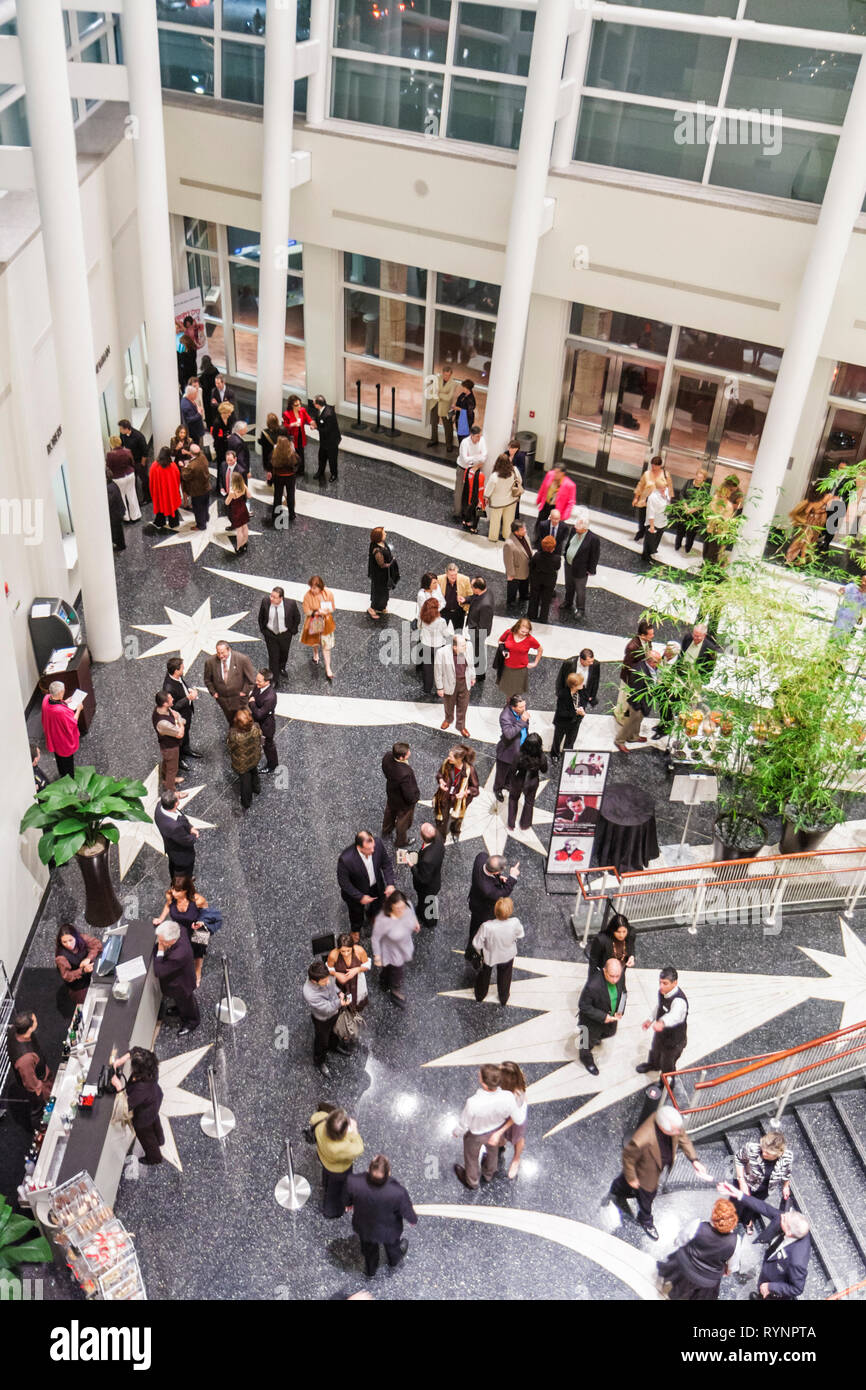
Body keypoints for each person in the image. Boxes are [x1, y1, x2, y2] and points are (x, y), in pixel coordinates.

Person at [606, 1106, 709, 1240]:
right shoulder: (643, 1138)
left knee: (623, 1183)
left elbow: (683, 1138)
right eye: (675, 1130)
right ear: (663, 1128)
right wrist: (632, 1177)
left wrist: (694, 1160)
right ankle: (646, 1220)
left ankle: (615, 1190)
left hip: (657, 1164)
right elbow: (628, 1157)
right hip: (645, 1171)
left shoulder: (672, 1124)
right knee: (647, 1195)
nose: (679, 1131)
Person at [722, 1190, 812, 1300]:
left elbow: (797, 1288)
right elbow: (765, 1208)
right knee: (762, 1289)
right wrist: (741, 1195)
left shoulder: (797, 1261)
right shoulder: (793, 1223)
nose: (781, 1216)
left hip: (777, 1286)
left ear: (789, 1233)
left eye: (783, 1219)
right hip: (770, 1269)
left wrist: (771, 1287)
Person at [345, 1155, 418, 1278]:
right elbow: (406, 1209)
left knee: (369, 1251)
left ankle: (371, 1270)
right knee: (393, 1246)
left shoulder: (354, 1182)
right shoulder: (397, 1192)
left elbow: (347, 1198)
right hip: (389, 1229)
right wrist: (412, 1219)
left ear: (368, 1170)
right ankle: (394, 1261)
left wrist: (349, 1204)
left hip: (365, 1228)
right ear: (388, 1173)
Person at [452, 1064, 522, 1190]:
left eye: (479, 1076)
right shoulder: (508, 1097)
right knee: (493, 1153)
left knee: (471, 1157)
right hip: (496, 1132)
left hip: (476, 1135)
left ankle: (472, 1181)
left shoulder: (473, 1102)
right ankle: (489, 1174)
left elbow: (464, 1124)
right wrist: (499, 1132)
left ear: (484, 1084)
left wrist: (457, 1132)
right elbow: (517, 1118)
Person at [656, 1199, 740, 1301]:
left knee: (672, 1288)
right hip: (707, 1282)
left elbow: (679, 1241)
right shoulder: (735, 1241)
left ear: (714, 1215)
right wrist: (726, 1271)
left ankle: (668, 1291)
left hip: (684, 1269)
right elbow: (732, 1267)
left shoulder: (697, 1225)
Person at [153, 874, 210, 987]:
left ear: (185, 890)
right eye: (173, 888)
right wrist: (161, 918)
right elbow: (168, 906)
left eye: (178, 891)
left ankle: (197, 972)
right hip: (180, 931)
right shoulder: (171, 896)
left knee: (198, 953)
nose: (174, 892)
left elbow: (207, 913)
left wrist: (202, 924)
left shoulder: (198, 900)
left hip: (197, 931)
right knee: (181, 951)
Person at [337, 830, 396, 939]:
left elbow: (386, 863)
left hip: (376, 886)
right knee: (356, 913)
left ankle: (373, 917)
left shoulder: (377, 843)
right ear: (359, 848)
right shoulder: (346, 859)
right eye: (369, 849)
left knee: (378, 905)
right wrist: (360, 897)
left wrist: (390, 883)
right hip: (357, 891)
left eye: (373, 846)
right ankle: (356, 930)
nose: (373, 850)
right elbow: (344, 883)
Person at [111, 1048, 165, 1166]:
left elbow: (126, 1107)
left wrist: (118, 1086)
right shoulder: (151, 1066)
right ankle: (160, 1139)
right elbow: (136, 1050)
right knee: (155, 1119)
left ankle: (154, 1158)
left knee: (146, 1137)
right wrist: (121, 1059)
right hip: (155, 1098)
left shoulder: (141, 1089)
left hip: (144, 1116)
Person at [309, 1105, 364, 1219]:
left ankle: (325, 1183)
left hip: (324, 1159)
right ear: (343, 1133)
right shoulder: (342, 1147)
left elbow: (314, 1118)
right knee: (336, 1191)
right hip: (339, 1171)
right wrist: (354, 1131)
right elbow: (359, 1148)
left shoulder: (320, 1122)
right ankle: (331, 1211)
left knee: (327, 1177)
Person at [636, 966, 689, 1078]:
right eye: (660, 982)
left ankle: (667, 1083)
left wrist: (662, 1022)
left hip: (674, 1042)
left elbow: (674, 1016)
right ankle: (653, 1065)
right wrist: (650, 1020)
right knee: (655, 1050)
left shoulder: (679, 1001)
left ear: (674, 983)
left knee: (667, 1064)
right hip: (662, 1035)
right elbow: (660, 1007)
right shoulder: (663, 992)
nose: (661, 986)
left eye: (665, 983)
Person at [371, 890, 419, 1008]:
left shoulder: (406, 906)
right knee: (397, 971)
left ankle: (384, 981)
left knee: (388, 968)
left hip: (403, 945)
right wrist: (377, 956)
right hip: (390, 950)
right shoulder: (383, 920)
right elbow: (375, 938)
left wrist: (415, 923)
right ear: (390, 906)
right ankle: (395, 990)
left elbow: (411, 914)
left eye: (402, 907)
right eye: (397, 908)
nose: (401, 910)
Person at [467, 852, 518, 962]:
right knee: (478, 929)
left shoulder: (481, 857)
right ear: (496, 871)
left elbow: (490, 876)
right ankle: (472, 952)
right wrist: (512, 877)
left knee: (474, 926)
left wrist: (498, 878)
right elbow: (504, 892)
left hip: (475, 899)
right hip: (482, 910)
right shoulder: (488, 890)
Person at [577, 957, 625, 1076]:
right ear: (604, 971)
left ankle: (596, 1039)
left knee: (610, 1033)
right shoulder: (593, 986)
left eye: (617, 976)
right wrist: (603, 1017)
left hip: (611, 1017)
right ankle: (586, 1059)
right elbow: (583, 1005)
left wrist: (620, 1010)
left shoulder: (620, 975)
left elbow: (624, 992)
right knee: (586, 1043)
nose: (615, 980)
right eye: (612, 976)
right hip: (591, 1022)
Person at [472, 897, 524, 1005]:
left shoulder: (487, 926)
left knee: (484, 975)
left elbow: (477, 943)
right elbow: (520, 934)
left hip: (490, 956)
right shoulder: (515, 922)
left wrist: (479, 952)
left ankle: (480, 995)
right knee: (505, 976)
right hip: (507, 955)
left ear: (495, 911)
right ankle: (503, 997)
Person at [152, 921, 200, 1036]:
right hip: (181, 977)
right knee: (182, 1002)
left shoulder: (178, 955)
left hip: (182, 984)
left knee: (187, 1002)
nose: (160, 943)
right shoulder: (180, 930)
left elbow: (159, 971)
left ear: (171, 941)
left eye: (162, 941)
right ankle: (180, 1010)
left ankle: (192, 1022)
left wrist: (160, 951)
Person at [8, 1011, 53, 1127]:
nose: (37, 1020)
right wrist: (44, 1092)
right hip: (37, 1082)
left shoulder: (14, 1030)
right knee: (38, 1108)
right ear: (29, 1028)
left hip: (36, 1068)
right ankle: (40, 1128)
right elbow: (32, 1084)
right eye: (35, 1020)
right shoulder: (25, 1059)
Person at [303, 959, 348, 1076]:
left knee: (334, 1032)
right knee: (322, 1041)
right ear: (314, 981)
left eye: (328, 978)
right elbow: (327, 1008)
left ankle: (334, 1046)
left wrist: (339, 993)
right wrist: (340, 1003)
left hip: (334, 1011)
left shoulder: (326, 975)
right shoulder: (309, 993)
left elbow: (333, 985)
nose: (328, 981)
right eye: (324, 981)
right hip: (322, 1019)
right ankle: (319, 1061)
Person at [614, 648, 661, 753]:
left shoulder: (652, 668)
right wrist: (638, 706)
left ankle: (633, 736)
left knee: (638, 721)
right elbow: (635, 692)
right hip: (638, 703)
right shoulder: (639, 671)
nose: (660, 664)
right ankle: (620, 740)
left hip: (645, 701)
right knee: (630, 722)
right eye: (658, 661)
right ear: (651, 661)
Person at [734, 1132, 793, 1214]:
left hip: (765, 1189)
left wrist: (786, 1186)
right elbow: (738, 1158)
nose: (763, 1154)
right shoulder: (752, 1149)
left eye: (768, 1153)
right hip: (748, 1183)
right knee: (738, 1203)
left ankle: (747, 1219)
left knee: (754, 1206)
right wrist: (741, 1181)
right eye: (763, 1149)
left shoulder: (787, 1157)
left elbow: (787, 1172)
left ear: (779, 1153)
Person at [433, 744, 479, 844]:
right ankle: (441, 838)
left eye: (451, 757)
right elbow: (439, 774)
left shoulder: (469, 770)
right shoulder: (447, 763)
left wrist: (466, 792)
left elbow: (475, 789)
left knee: (457, 818)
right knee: (442, 817)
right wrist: (441, 780)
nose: (448, 758)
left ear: (459, 759)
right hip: (445, 795)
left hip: (460, 800)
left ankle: (455, 832)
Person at [204, 639, 257, 723]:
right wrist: (213, 692)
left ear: (229, 650)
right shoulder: (210, 662)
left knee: (245, 720)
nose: (220, 656)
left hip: (240, 700)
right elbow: (207, 679)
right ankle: (233, 733)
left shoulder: (242, 659)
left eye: (223, 652)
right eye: (218, 653)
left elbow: (251, 680)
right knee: (231, 720)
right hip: (223, 700)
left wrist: (244, 692)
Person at [257, 586, 300, 687]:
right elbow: (261, 617)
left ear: (281, 598)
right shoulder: (265, 602)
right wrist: (263, 630)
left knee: (284, 653)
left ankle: (282, 667)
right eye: (271, 596)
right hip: (270, 634)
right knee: (273, 657)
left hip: (285, 634)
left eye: (274, 597)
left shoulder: (291, 604)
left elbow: (297, 618)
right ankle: (274, 679)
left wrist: (292, 631)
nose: (271, 598)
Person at [435, 632, 475, 736]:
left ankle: (461, 726)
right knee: (449, 704)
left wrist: (472, 676)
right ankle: (448, 719)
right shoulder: (442, 653)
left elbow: (470, 664)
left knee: (463, 706)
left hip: (464, 682)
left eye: (465, 645)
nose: (465, 647)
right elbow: (438, 672)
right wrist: (440, 687)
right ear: (455, 647)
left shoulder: (467, 648)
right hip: (449, 683)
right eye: (462, 646)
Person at [563, 508, 600, 619]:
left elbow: (595, 556)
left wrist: (591, 570)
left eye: (578, 527)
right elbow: (569, 544)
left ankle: (580, 609)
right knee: (568, 585)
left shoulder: (593, 539)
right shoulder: (574, 531)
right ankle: (568, 602)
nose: (575, 527)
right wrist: (566, 554)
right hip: (569, 565)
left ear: (584, 529)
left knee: (580, 590)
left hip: (581, 570)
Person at [506, 732, 548, 833]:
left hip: (519, 780)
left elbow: (512, 769)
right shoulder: (541, 756)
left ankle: (511, 824)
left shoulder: (519, 754)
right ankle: (525, 824)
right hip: (532, 781)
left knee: (513, 799)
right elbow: (544, 770)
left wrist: (508, 781)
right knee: (529, 803)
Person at [381, 741, 420, 849]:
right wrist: (415, 799)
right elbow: (409, 793)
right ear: (402, 758)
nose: (410, 753)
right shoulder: (405, 773)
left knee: (389, 812)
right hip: (403, 803)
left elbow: (384, 770)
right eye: (408, 752)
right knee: (403, 822)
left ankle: (386, 830)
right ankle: (401, 841)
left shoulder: (388, 756)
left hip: (391, 793)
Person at [615, 618, 655, 722]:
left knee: (631, 700)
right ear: (642, 635)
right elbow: (628, 666)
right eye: (650, 634)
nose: (652, 636)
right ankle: (619, 716)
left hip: (639, 677)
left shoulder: (647, 642)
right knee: (624, 699)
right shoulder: (632, 647)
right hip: (630, 678)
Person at [154, 789, 198, 880]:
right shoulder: (174, 827)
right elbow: (187, 841)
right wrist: (194, 835)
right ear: (176, 804)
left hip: (171, 848)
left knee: (173, 865)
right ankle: (184, 882)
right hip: (181, 855)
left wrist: (189, 827)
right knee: (182, 870)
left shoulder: (159, 806)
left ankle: (175, 878)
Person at [41, 681, 82, 778]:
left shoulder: (46, 699)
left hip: (53, 735)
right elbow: (72, 723)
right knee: (67, 763)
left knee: (59, 759)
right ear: (60, 693)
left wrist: (64, 702)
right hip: (63, 740)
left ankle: (62, 773)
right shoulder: (60, 711)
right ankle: (69, 779)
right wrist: (79, 709)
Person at [494, 693, 530, 798]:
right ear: (513, 707)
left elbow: (525, 728)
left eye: (524, 705)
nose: (524, 708)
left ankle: (508, 784)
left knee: (513, 770)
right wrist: (522, 721)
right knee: (501, 774)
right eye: (521, 707)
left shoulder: (522, 711)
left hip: (520, 749)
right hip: (507, 751)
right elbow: (509, 734)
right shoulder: (505, 716)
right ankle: (498, 789)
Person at [54, 925, 101, 1007]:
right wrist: (83, 970)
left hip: (92, 975)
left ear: (75, 937)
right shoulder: (61, 958)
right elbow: (67, 976)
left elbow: (97, 944)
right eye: (64, 942)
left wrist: (88, 958)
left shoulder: (81, 938)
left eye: (70, 940)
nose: (68, 944)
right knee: (92, 1004)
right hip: (80, 986)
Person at [300, 574, 336, 680]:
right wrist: (316, 612)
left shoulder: (328, 593)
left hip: (326, 621)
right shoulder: (307, 596)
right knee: (315, 640)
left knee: (326, 645)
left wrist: (324, 611)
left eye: (314, 587)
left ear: (320, 586)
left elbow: (332, 608)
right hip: (315, 620)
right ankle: (315, 653)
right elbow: (306, 610)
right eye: (311, 587)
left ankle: (328, 668)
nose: (312, 589)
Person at [497, 1060, 529, 1181]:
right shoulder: (506, 1089)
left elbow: (516, 1119)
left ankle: (516, 1159)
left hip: (515, 1123)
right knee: (501, 1138)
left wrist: (500, 1130)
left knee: (517, 1139)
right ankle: (500, 1146)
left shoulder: (517, 1097)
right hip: (505, 1118)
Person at [496, 618, 542, 699]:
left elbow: (540, 649)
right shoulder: (509, 633)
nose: (524, 634)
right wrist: (503, 650)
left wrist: (535, 663)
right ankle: (509, 708)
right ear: (517, 628)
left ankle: (512, 707)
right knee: (508, 692)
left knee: (516, 693)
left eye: (526, 632)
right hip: (507, 667)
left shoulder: (530, 639)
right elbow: (500, 640)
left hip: (520, 669)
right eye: (522, 631)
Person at [162, 657, 198, 761]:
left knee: (186, 733)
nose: (184, 669)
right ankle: (179, 759)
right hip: (179, 717)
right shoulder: (169, 688)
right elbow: (173, 706)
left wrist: (189, 690)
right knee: (179, 738)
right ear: (176, 671)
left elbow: (182, 684)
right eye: (182, 668)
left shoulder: (176, 676)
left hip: (186, 713)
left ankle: (186, 749)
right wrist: (188, 698)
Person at [227, 707, 262, 810]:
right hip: (255, 757)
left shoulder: (235, 735)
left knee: (245, 782)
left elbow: (230, 746)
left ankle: (246, 802)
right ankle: (257, 788)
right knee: (254, 772)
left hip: (242, 763)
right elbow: (260, 737)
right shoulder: (255, 727)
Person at [412, 821, 445, 926]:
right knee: (427, 902)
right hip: (434, 879)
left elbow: (423, 879)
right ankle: (422, 911)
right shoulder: (438, 838)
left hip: (428, 888)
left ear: (422, 837)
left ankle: (430, 922)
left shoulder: (427, 860)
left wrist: (412, 866)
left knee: (428, 903)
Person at [786, 483, 829, 566]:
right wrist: (814, 513)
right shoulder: (813, 502)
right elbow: (806, 512)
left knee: (807, 541)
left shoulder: (821, 502)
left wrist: (818, 512)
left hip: (814, 524)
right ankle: (799, 558)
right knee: (805, 540)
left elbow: (810, 512)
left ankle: (802, 558)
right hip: (810, 524)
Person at [632, 455, 672, 541]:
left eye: (656, 465)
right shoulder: (647, 474)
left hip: (658, 502)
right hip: (645, 500)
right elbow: (640, 486)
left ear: (660, 465)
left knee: (653, 520)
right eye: (652, 465)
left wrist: (668, 503)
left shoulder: (665, 475)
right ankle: (641, 532)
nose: (654, 467)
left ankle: (650, 536)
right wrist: (636, 497)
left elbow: (669, 489)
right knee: (642, 519)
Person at [327, 934, 371, 1011]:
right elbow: (328, 969)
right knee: (340, 998)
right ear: (338, 949)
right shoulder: (333, 955)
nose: (346, 954)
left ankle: (355, 1009)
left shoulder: (359, 951)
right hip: (340, 983)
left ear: (352, 947)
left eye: (348, 950)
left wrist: (357, 970)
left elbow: (367, 965)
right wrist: (336, 974)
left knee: (358, 998)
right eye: (343, 951)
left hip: (357, 981)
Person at [485, 452, 523, 542]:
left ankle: (493, 537)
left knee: (495, 521)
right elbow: (520, 481)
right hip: (511, 501)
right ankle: (506, 536)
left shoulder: (494, 476)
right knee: (509, 520)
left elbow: (489, 490)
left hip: (497, 503)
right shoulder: (515, 470)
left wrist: (486, 497)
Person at [152, 690, 185, 790]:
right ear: (165, 703)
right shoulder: (162, 723)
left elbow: (176, 714)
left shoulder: (162, 709)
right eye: (171, 699)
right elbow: (180, 734)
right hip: (170, 748)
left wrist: (178, 720)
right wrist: (181, 723)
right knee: (172, 769)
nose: (173, 699)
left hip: (168, 746)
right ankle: (171, 789)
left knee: (167, 763)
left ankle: (166, 778)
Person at [418, 595, 449, 696]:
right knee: (439, 668)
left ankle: (427, 688)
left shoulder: (422, 616)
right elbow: (445, 634)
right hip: (438, 646)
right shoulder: (441, 621)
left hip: (426, 645)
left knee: (427, 668)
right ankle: (440, 687)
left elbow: (419, 627)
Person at [105, 435, 141, 522]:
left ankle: (126, 517)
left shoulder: (110, 455)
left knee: (121, 497)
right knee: (132, 495)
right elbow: (132, 462)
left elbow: (109, 467)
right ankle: (135, 516)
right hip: (129, 475)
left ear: (112, 444)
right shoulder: (127, 451)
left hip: (118, 478)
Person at [587, 912, 635, 977]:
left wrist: (631, 956)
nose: (621, 935)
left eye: (624, 932)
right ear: (612, 930)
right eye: (618, 932)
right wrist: (593, 981)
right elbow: (593, 961)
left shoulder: (630, 934)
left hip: (620, 973)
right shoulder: (601, 940)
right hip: (604, 974)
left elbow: (631, 945)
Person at [464, 576, 494, 681]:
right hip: (475, 630)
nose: (471, 589)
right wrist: (465, 599)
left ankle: (480, 674)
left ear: (477, 588)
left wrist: (475, 635)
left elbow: (483, 626)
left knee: (478, 652)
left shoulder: (486, 605)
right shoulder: (485, 591)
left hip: (478, 634)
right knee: (476, 651)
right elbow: (474, 598)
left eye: (472, 587)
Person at [458, 427, 487, 533]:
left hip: (472, 475)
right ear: (471, 435)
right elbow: (465, 459)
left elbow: (484, 456)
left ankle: (467, 520)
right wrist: (478, 457)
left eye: (480, 436)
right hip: (466, 470)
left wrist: (473, 458)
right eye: (477, 436)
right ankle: (472, 525)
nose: (479, 438)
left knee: (471, 501)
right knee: (471, 501)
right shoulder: (465, 443)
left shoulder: (482, 440)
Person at [249, 668, 278, 773]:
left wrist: (252, 703)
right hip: (256, 722)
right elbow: (252, 695)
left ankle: (272, 765)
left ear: (267, 682)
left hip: (266, 726)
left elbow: (260, 714)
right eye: (256, 680)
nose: (256, 683)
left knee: (268, 746)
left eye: (259, 681)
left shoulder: (270, 697)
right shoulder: (258, 686)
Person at [673, 467, 708, 553]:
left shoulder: (705, 488)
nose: (698, 479)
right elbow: (682, 493)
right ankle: (677, 546)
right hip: (684, 510)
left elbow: (704, 503)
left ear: (704, 479)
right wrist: (685, 506)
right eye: (697, 476)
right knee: (680, 530)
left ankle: (687, 548)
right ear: (695, 475)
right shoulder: (689, 482)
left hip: (695, 515)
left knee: (691, 533)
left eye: (701, 478)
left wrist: (693, 509)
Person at [551, 672, 585, 759]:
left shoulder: (580, 692)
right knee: (557, 741)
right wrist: (576, 712)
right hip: (562, 723)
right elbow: (561, 712)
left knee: (570, 742)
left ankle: (566, 756)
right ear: (574, 685)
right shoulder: (563, 695)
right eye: (581, 683)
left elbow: (582, 703)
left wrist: (581, 711)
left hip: (574, 723)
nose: (583, 684)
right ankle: (555, 755)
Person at [527, 534, 560, 623]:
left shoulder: (537, 555)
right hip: (549, 582)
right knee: (546, 600)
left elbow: (531, 565)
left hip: (536, 580)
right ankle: (543, 617)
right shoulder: (557, 558)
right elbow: (557, 567)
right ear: (553, 548)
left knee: (534, 597)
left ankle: (532, 615)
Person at [310, 394, 342, 481]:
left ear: (318, 404)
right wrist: (313, 421)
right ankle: (320, 472)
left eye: (314, 403)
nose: (313, 404)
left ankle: (334, 474)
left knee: (332, 459)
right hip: (324, 440)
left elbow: (327, 430)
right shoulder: (321, 409)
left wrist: (316, 427)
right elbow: (316, 416)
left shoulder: (329, 414)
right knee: (321, 457)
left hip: (332, 441)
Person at [149, 447, 182, 529]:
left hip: (159, 493)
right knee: (173, 508)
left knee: (160, 508)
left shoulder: (154, 466)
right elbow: (177, 480)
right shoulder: (173, 466)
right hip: (171, 493)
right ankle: (174, 523)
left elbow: (151, 481)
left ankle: (160, 522)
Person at [642, 474, 672, 563]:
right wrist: (651, 526)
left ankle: (651, 553)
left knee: (656, 540)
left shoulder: (666, 491)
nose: (664, 489)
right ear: (657, 488)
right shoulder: (652, 497)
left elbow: (668, 502)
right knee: (649, 541)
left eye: (665, 487)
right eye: (662, 488)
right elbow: (650, 513)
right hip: (653, 523)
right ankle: (646, 556)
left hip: (662, 521)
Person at [118, 417, 149, 503]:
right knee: (132, 479)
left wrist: (142, 465)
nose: (120, 430)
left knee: (144, 480)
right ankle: (135, 498)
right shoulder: (122, 435)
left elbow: (145, 451)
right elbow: (122, 445)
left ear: (126, 429)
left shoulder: (139, 436)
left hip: (140, 461)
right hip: (130, 461)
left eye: (121, 428)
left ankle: (147, 498)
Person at [268, 433, 298, 524]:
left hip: (278, 477)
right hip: (290, 477)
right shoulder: (292, 453)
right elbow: (298, 462)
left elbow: (270, 464)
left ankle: (276, 515)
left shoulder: (274, 453)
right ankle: (291, 514)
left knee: (277, 496)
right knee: (290, 496)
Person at [427, 364, 457, 452]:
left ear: (451, 375)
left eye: (448, 375)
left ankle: (449, 445)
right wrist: (443, 394)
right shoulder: (437, 379)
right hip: (435, 404)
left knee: (448, 427)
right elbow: (432, 391)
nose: (446, 377)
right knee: (434, 423)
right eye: (445, 375)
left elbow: (449, 397)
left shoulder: (453, 384)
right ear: (442, 373)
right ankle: (434, 440)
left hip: (445, 408)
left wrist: (439, 394)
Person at [180, 446, 211, 530]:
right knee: (205, 505)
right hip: (206, 487)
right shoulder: (202, 456)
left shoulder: (192, 466)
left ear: (191, 452)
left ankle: (201, 525)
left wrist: (183, 467)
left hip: (197, 491)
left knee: (198, 509)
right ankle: (206, 518)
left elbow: (185, 476)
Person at [503, 520, 532, 610]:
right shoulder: (509, 544)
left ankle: (524, 595)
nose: (525, 530)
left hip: (526, 567)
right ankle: (511, 601)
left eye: (525, 528)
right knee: (513, 587)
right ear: (516, 532)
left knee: (525, 583)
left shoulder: (525, 536)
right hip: (516, 571)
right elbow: (508, 560)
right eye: (523, 529)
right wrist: (510, 574)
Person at [367, 525, 395, 619]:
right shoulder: (377, 550)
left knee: (384, 592)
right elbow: (381, 564)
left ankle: (381, 606)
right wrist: (391, 563)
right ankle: (373, 608)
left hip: (384, 575)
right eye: (384, 533)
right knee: (379, 592)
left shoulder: (382, 543)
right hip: (380, 575)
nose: (386, 534)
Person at [283, 394, 313, 473]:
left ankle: (301, 470)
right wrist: (293, 424)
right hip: (292, 437)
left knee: (301, 453)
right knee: (293, 453)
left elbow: (308, 418)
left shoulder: (302, 410)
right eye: (296, 405)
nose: (299, 406)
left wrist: (312, 423)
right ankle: (293, 469)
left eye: (300, 404)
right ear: (292, 405)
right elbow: (285, 426)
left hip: (301, 435)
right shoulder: (287, 414)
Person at [436, 561, 472, 628]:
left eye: (455, 574)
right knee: (440, 633)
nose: (454, 577)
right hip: (443, 611)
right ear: (446, 573)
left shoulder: (465, 579)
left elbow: (471, 596)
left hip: (458, 611)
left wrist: (465, 599)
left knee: (458, 633)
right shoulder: (439, 579)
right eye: (451, 575)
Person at [226, 472, 251, 556]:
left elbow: (227, 502)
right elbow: (249, 495)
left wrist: (229, 495)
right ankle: (244, 543)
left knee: (239, 530)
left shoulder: (232, 491)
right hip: (243, 509)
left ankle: (238, 547)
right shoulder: (243, 486)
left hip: (236, 511)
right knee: (245, 527)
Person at [212, 400, 236, 484]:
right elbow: (215, 436)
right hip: (220, 446)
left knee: (228, 465)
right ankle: (220, 486)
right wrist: (225, 437)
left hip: (227, 445)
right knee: (221, 466)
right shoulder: (217, 422)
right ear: (224, 412)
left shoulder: (229, 420)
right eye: (229, 412)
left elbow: (229, 430)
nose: (230, 414)